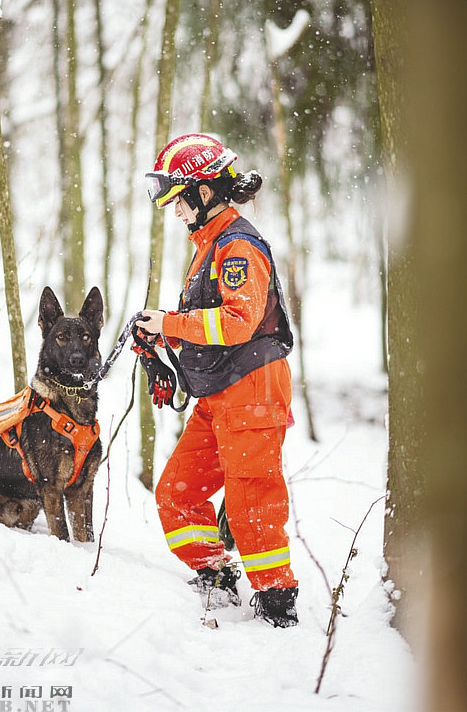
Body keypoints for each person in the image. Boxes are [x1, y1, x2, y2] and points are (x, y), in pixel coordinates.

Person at [135, 133, 299, 627]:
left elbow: (237, 323)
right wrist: (162, 336)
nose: (176, 211)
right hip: (219, 392)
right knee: (176, 492)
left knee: (252, 500)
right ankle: (216, 574)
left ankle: (277, 601)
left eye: (179, 201)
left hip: (252, 389)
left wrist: (170, 324)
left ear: (204, 192)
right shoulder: (210, 243)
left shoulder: (237, 247)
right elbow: (208, 325)